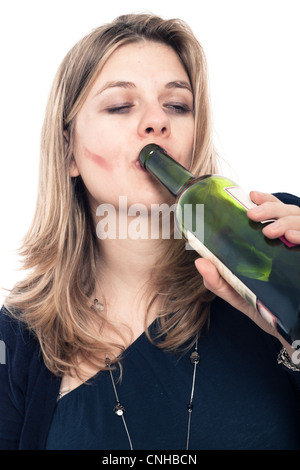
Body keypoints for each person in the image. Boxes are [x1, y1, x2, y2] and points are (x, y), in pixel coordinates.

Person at [0, 13, 299, 451]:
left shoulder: (274, 239)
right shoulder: (17, 340)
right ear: (68, 154)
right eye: (121, 106)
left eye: (177, 106)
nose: (157, 122)